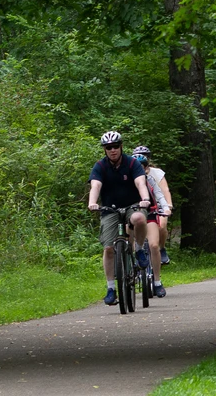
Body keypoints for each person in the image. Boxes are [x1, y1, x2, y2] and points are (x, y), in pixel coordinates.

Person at [88, 131, 153, 306]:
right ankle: (111, 289)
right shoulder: (100, 166)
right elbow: (96, 185)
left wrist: (145, 199)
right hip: (110, 209)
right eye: (109, 147)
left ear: (121, 146)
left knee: (139, 218)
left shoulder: (132, 163)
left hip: (133, 205)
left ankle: (138, 249)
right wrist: (92, 202)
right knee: (109, 248)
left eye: (115, 146)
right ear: (105, 150)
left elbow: (140, 182)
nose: (113, 150)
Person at [132, 152, 170, 297]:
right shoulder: (126, 180)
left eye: (143, 167)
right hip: (132, 215)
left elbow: (159, 194)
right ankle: (126, 267)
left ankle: (157, 281)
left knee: (154, 245)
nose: (140, 170)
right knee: (128, 241)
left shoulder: (150, 180)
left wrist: (165, 207)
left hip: (150, 215)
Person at [133, 146, 173, 266]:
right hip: (137, 208)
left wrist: (168, 206)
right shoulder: (130, 174)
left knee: (162, 226)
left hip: (156, 205)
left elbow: (164, 190)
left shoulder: (156, 174)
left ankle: (162, 248)